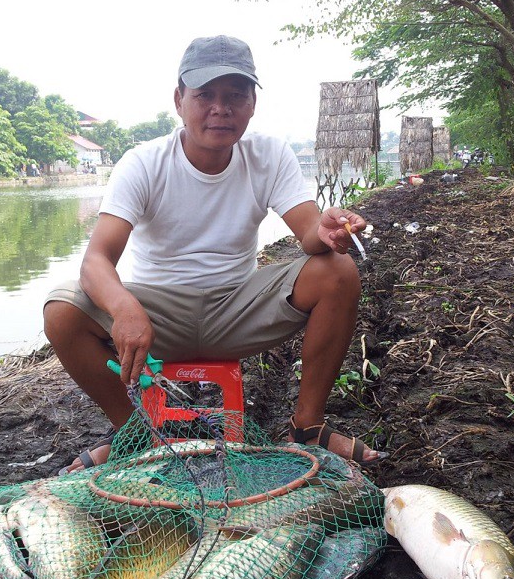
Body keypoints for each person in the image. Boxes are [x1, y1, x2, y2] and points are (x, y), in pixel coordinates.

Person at [44, 35, 388, 474]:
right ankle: (136, 434)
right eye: (205, 94)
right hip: (157, 312)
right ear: (179, 100)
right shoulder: (144, 162)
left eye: (235, 96)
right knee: (61, 309)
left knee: (337, 271)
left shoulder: (269, 155)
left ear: (252, 104)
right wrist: (124, 307)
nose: (220, 108)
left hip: (237, 308)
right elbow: (95, 261)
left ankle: (308, 428)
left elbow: (308, 232)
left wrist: (326, 230)